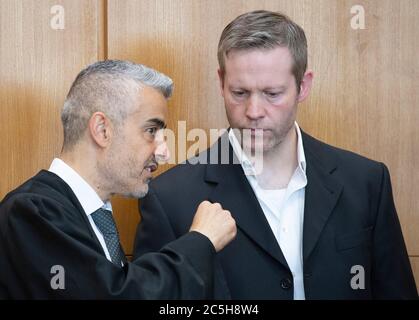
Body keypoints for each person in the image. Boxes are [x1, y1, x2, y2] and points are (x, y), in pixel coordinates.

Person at [133, 10, 418, 299]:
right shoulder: (168, 198)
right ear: (221, 83)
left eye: (272, 93)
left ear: (303, 86)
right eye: (240, 92)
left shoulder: (366, 182)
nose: (254, 112)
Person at [0, 60, 236, 299]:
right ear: (102, 130)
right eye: (151, 131)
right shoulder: (31, 212)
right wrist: (200, 242)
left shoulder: (93, 219)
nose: (164, 152)